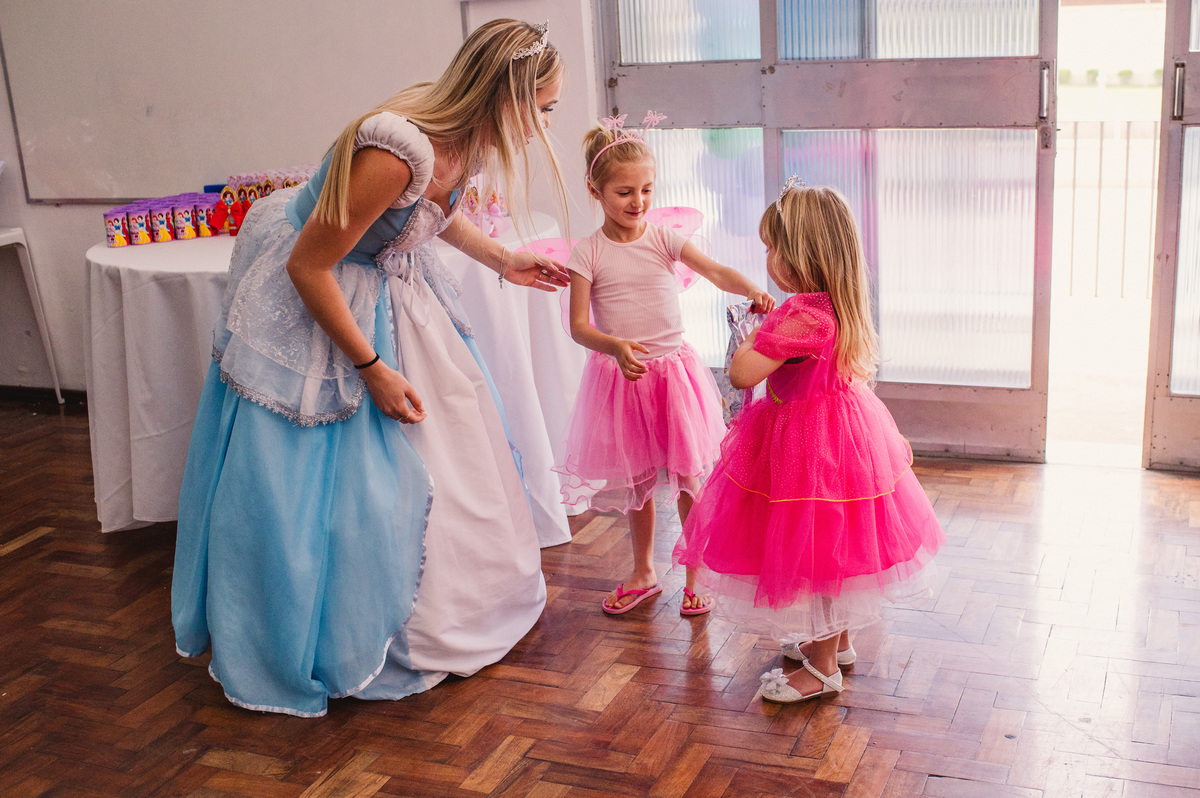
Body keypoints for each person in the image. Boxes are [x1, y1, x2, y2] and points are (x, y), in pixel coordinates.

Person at [171, 19, 571, 718]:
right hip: (332, 299)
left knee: (452, 452)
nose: (543, 125)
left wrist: (503, 260)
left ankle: (458, 603)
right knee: (344, 483)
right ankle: (349, 629)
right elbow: (309, 263)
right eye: (541, 109)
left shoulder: (465, 137)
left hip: (396, 289)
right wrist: (373, 367)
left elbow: (433, 214)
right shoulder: (399, 146)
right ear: (503, 97)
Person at [673, 179, 945, 703]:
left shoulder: (802, 317)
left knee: (815, 549)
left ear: (802, 255)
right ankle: (836, 642)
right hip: (840, 433)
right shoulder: (829, 306)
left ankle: (820, 671)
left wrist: (755, 335)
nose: (768, 260)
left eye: (773, 249)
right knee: (832, 545)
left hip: (808, 445)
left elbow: (742, 374)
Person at [555, 117, 775, 616]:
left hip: (673, 378)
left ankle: (696, 572)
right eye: (624, 192)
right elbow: (578, 327)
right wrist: (613, 346)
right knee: (636, 486)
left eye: (647, 190)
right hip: (624, 379)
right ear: (596, 190)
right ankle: (643, 570)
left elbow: (714, 270)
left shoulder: (663, 239)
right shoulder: (587, 253)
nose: (638, 202)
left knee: (688, 480)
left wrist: (752, 290)